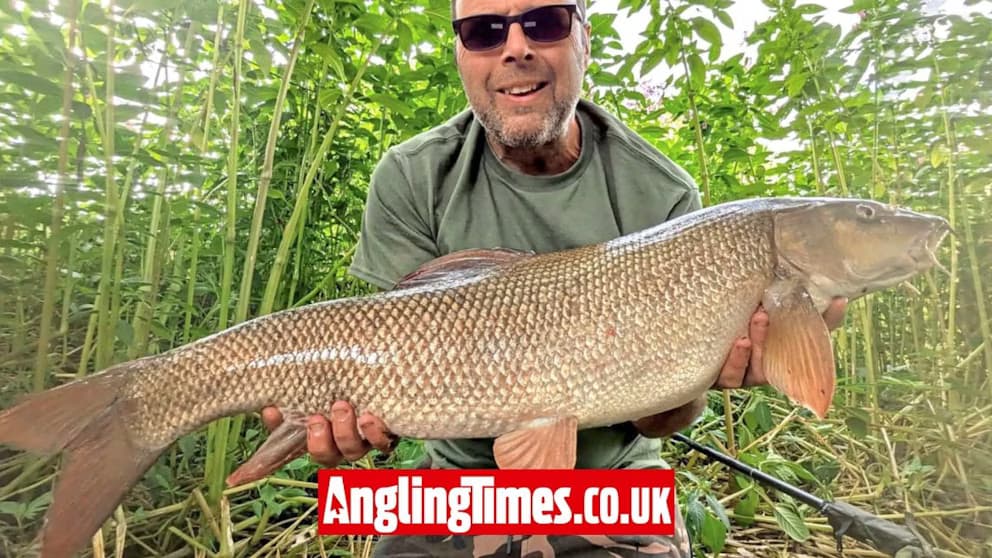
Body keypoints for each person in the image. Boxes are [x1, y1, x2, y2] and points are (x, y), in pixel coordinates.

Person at [262, 0, 847, 555]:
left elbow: (663, 419)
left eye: (544, 22)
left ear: (584, 39)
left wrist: (703, 376)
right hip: (453, 481)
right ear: (461, 55)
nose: (516, 48)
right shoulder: (413, 176)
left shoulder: (662, 193)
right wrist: (354, 418)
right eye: (485, 32)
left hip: (612, 481)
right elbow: (390, 356)